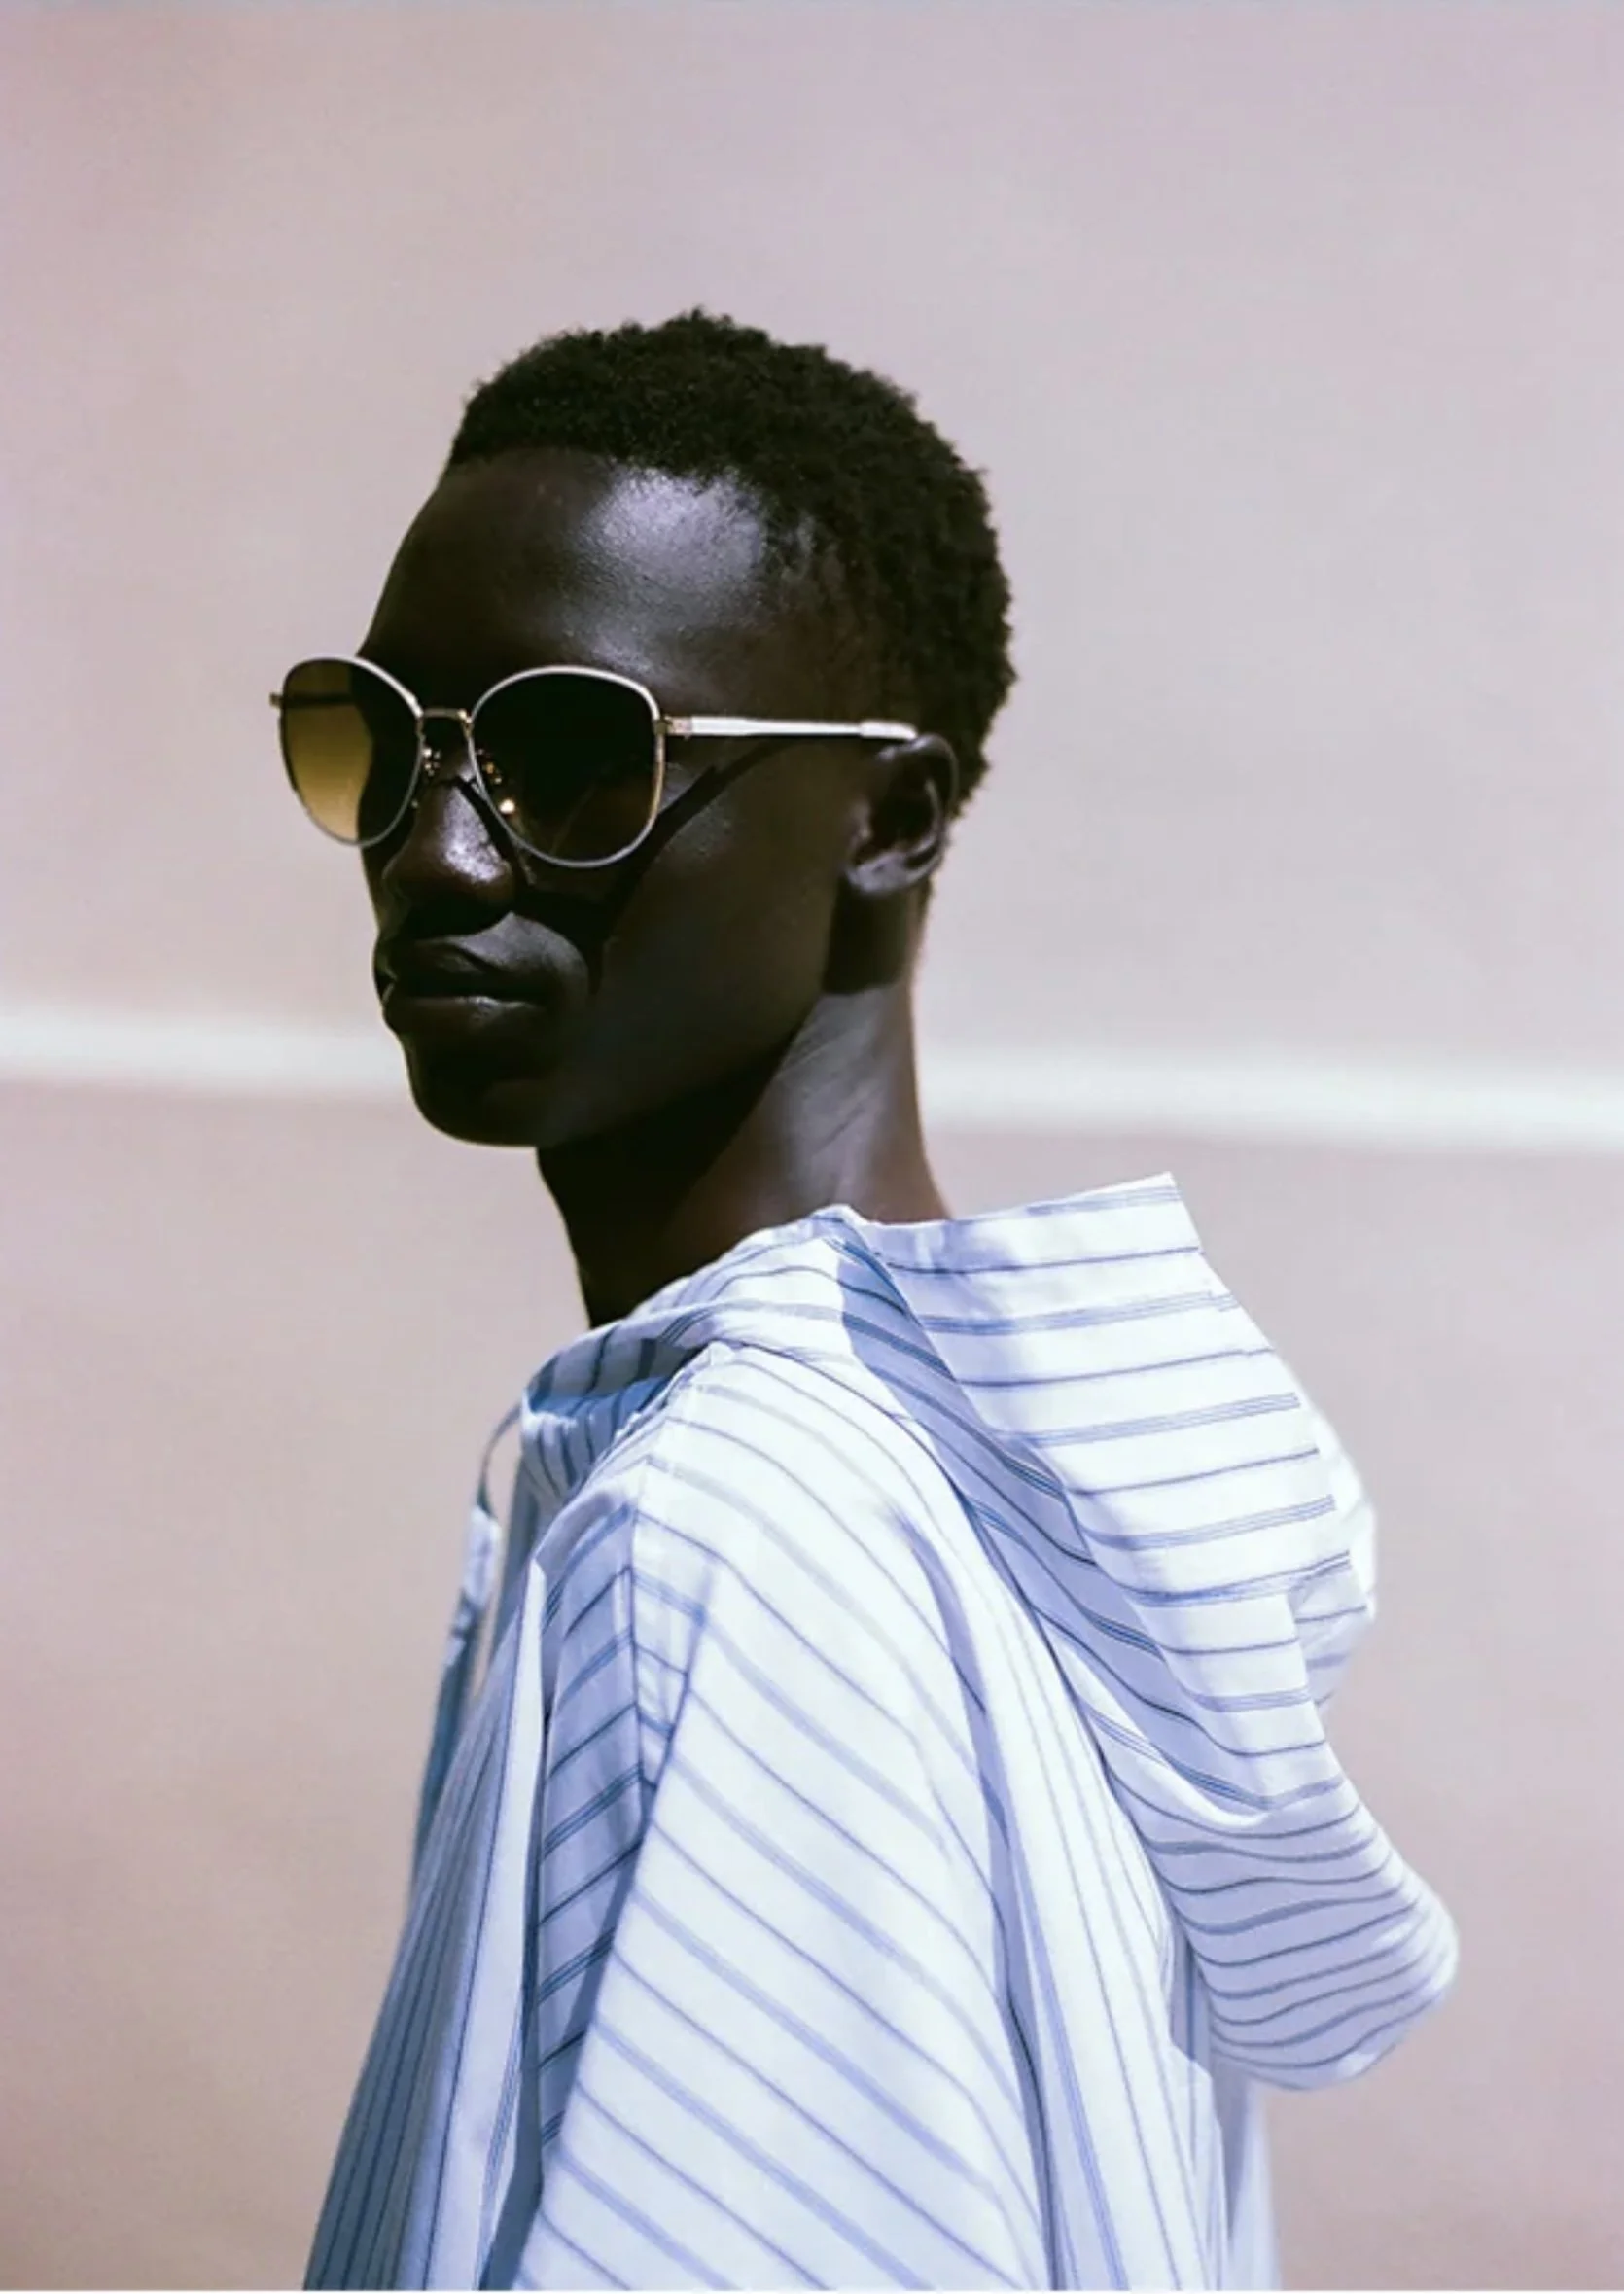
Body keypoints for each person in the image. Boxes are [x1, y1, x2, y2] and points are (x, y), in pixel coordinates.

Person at [275, 311, 1456, 2291]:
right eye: (377, 742)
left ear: (888, 818)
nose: (438, 851)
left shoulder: (731, 1540)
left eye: (577, 756)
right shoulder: (1011, 1501)